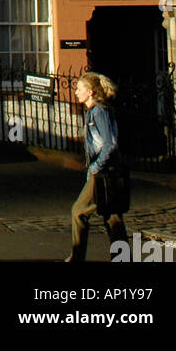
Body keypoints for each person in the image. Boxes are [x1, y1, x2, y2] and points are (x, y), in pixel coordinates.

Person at [66, 72, 127, 261]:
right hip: (108, 170)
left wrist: (95, 167)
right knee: (111, 215)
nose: (76, 92)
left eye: (79, 89)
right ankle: (122, 258)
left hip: (103, 172)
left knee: (78, 211)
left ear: (90, 92)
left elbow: (110, 143)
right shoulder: (97, 111)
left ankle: (77, 258)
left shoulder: (99, 111)